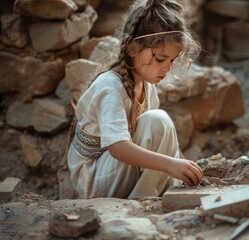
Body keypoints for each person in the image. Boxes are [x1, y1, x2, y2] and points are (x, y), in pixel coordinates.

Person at [65, 0, 204, 199]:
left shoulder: (146, 85)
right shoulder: (111, 88)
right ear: (132, 48)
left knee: (158, 122)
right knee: (159, 120)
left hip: (116, 173)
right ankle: (141, 201)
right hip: (95, 179)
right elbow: (118, 147)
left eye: (172, 60)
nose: (167, 68)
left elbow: (161, 138)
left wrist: (182, 165)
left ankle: (153, 194)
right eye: (160, 59)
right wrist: (169, 164)